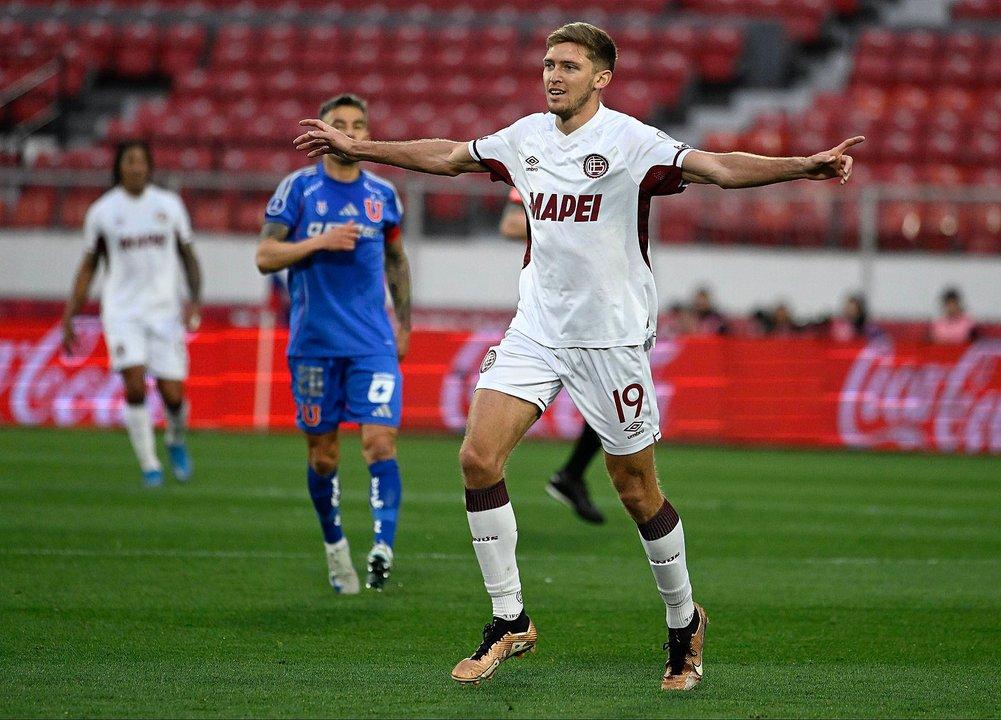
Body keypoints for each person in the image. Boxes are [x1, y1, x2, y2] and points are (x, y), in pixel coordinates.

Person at [294, 21, 861, 690]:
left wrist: (802, 165)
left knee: (634, 489)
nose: (552, 74)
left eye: (567, 65)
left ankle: (684, 621)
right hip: (536, 328)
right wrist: (359, 146)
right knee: (477, 458)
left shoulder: (630, 142)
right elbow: (448, 155)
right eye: (547, 64)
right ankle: (510, 620)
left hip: (611, 339)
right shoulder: (524, 137)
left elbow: (713, 167)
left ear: (600, 78)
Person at [257, 94, 411, 594]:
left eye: (357, 124)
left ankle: (383, 547)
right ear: (320, 133)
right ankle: (335, 546)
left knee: (379, 442)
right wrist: (317, 242)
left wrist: (404, 324)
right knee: (324, 457)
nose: (349, 131)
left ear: (367, 134)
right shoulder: (297, 191)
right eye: (338, 124)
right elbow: (264, 255)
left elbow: (396, 262)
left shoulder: (384, 195)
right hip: (314, 344)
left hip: (372, 344)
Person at [61, 140, 201, 488]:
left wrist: (194, 300)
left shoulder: (169, 205)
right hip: (123, 313)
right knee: (135, 386)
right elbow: (88, 266)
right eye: (129, 161)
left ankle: (175, 440)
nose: (136, 167)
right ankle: (149, 464)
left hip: (165, 312)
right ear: (119, 167)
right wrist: (70, 315)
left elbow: (188, 255)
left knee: (173, 396)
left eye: (141, 161)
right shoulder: (103, 212)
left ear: (150, 167)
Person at [499, 187, 604, 524]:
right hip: (550, 310)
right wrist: (567, 227)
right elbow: (511, 226)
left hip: (593, 301)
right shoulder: (541, 171)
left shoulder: (600, 173)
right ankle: (568, 476)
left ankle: (571, 475)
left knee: (609, 405)